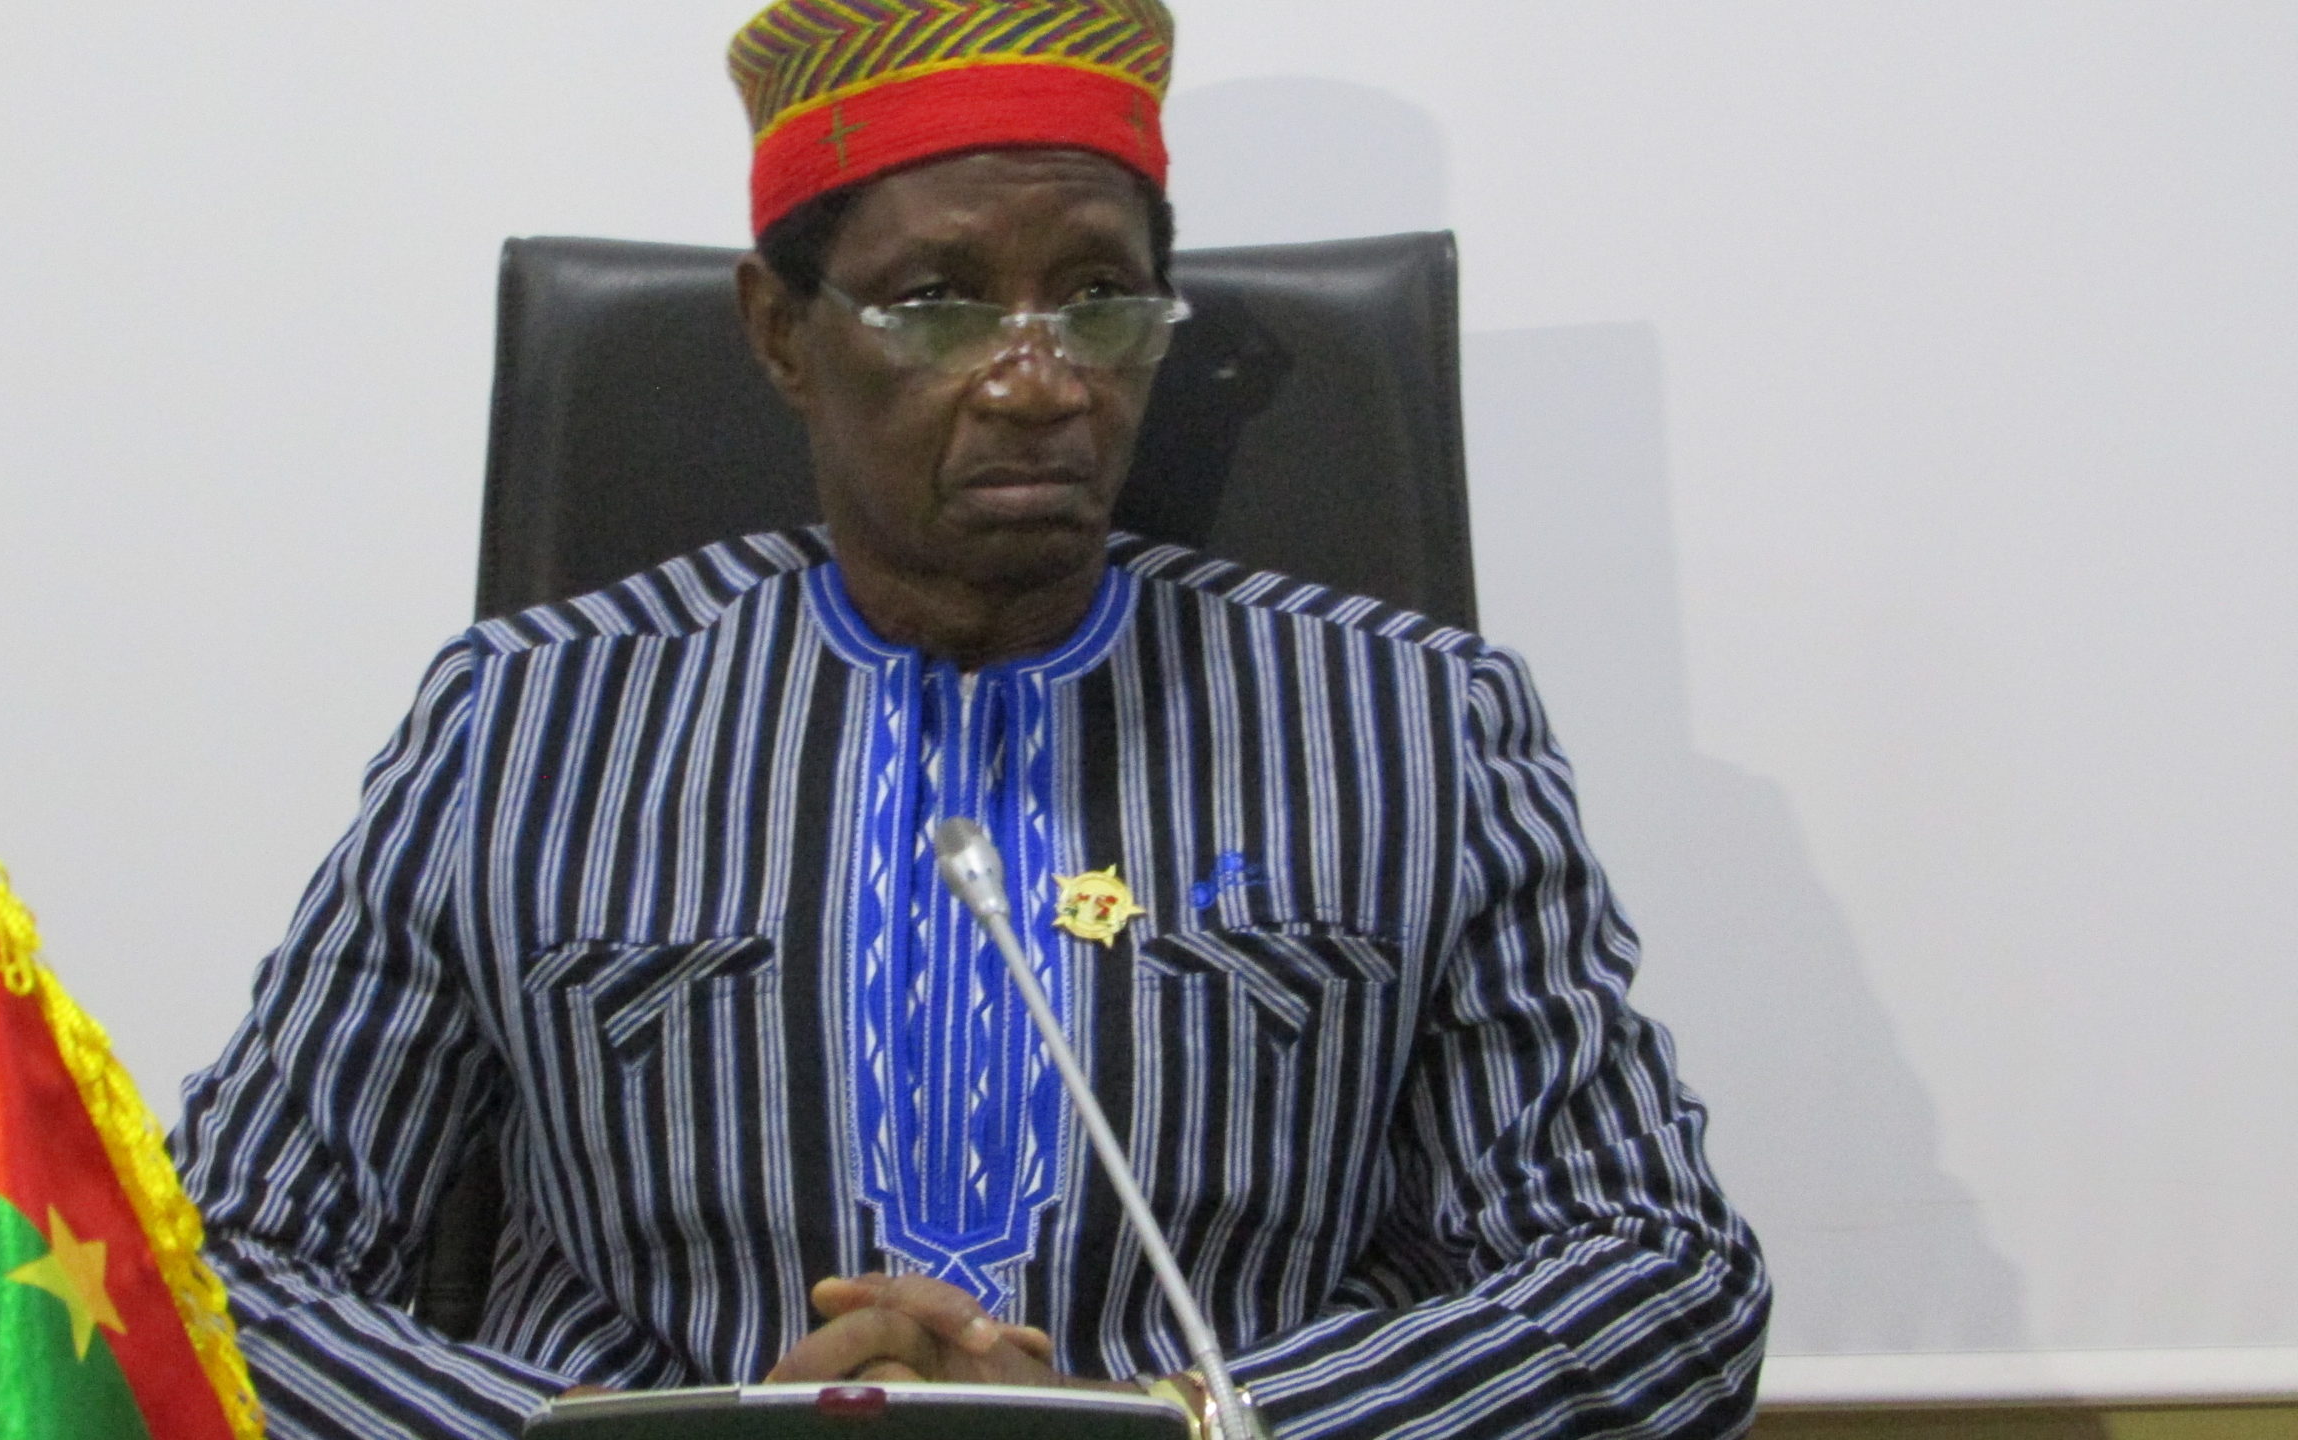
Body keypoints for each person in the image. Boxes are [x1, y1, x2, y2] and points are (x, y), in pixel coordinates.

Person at [172, 3, 1771, 1437]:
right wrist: (628, 1439)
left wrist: (1179, 1428)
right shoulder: (525, 726)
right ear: (779, 330)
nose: (1037, 381)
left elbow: (1661, 1273)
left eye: (1099, 299)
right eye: (936, 303)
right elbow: (217, 1257)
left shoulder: (1414, 729)